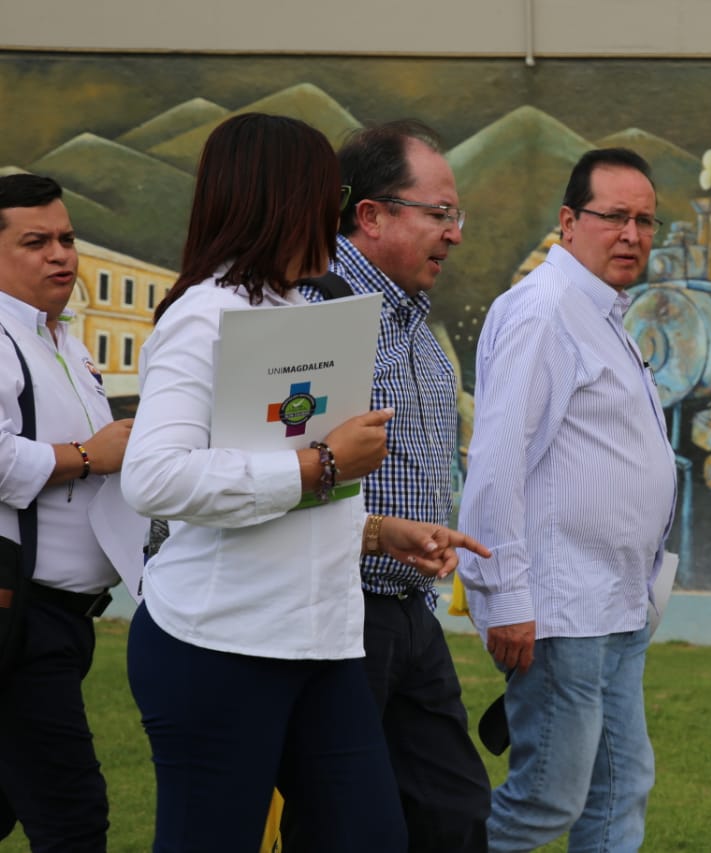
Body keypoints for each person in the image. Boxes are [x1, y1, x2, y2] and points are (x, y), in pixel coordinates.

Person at [119, 113, 489, 853]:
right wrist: (321, 464)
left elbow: (284, 494)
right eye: (328, 195)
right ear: (278, 200)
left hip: (320, 644)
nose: (338, 213)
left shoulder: (295, 312)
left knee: (372, 835)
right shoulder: (205, 317)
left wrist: (382, 531)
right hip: (220, 645)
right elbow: (154, 477)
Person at [457, 148, 678, 852]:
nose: (631, 234)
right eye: (613, 216)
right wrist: (506, 595)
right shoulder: (543, 312)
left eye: (644, 220)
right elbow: (496, 462)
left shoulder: (600, 312)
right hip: (559, 608)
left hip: (614, 602)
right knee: (545, 799)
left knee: (618, 789)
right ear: (568, 221)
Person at [294, 119, 491, 851]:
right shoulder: (317, 315)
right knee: (345, 822)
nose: (455, 233)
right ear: (370, 215)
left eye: (456, 215)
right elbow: (282, 469)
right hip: (339, 614)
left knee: (456, 810)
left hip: (410, 611)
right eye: (439, 214)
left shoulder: (413, 321)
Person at [0, 173, 132, 851]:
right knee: (73, 817)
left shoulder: (64, 341)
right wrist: (85, 453)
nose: (61, 254)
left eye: (68, 238)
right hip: (20, 620)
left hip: (61, 620)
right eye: (36, 241)